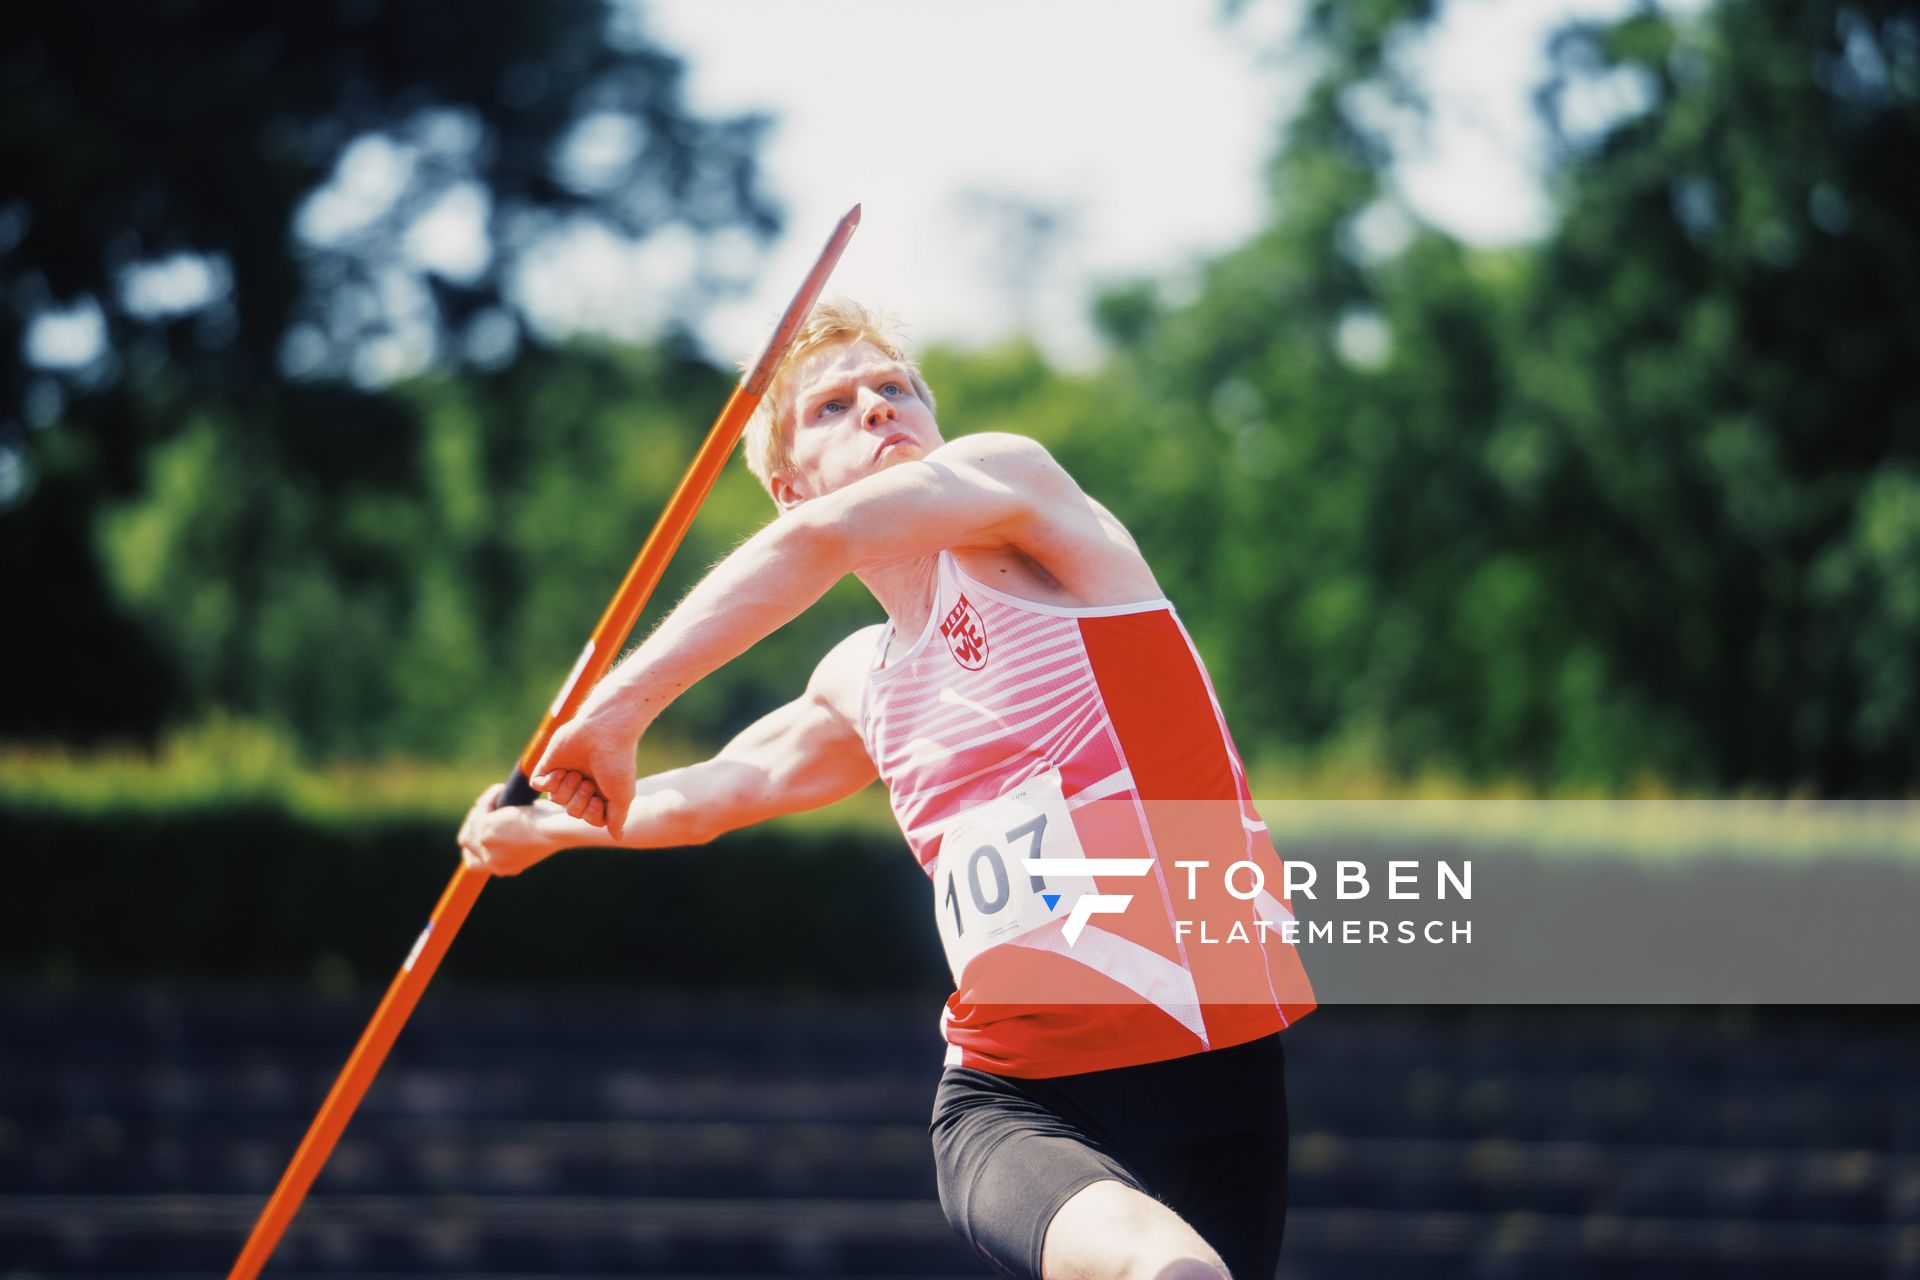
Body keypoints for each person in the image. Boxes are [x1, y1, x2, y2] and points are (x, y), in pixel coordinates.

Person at [456, 299, 1316, 1279]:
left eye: (895, 386)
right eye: (831, 406)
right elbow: (715, 791)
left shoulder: (1024, 501)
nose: (877, 408)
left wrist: (617, 707)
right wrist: (548, 826)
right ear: (787, 484)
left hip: (1207, 1038)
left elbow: (819, 543)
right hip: (1014, 1084)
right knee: (1162, 1269)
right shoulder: (863, 677)